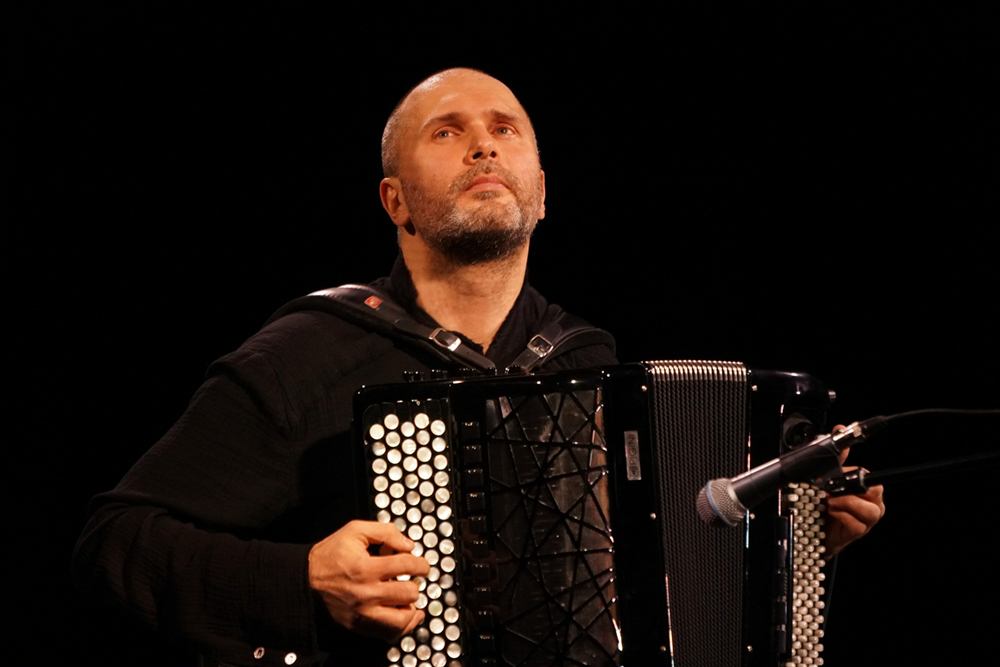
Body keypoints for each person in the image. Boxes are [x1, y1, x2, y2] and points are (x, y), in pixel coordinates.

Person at [73, 68, 884, 666]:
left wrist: (794, 541)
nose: (483, 143)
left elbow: (642, 587)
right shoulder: (305, 353)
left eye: (504, 128)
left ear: (541, 192)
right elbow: (114, 543)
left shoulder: (589, 361)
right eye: (446, 131)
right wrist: (301, 578)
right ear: (395, 201)